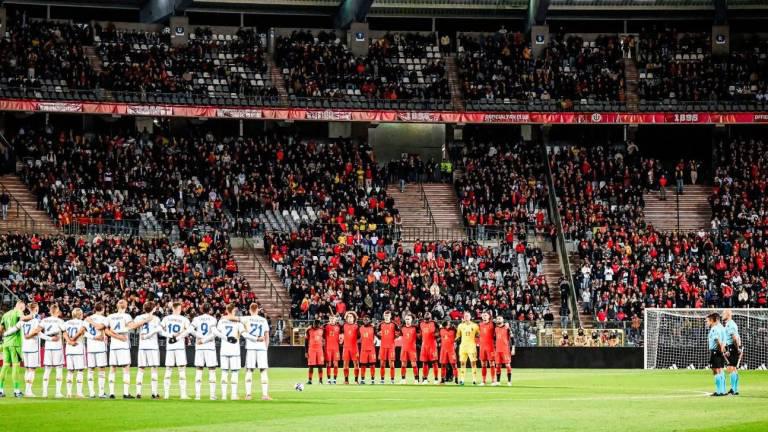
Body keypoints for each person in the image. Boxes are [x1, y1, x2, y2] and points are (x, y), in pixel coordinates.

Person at [105, 299, 145, 399]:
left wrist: (116, 336)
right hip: (123, 345)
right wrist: (144, 321)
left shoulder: (110, 316)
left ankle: (111, 393)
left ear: (117, 306)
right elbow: (132, 326)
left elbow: (106, 330)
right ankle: (126, 393)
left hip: (114, 345)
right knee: (126, 369)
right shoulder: (126, 316)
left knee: (112, 369)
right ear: (126, 306)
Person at [160, 302, 191, 399]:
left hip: (170, 347)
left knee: (168, 370)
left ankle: (166, 395)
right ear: (178, 308)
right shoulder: (184, 319)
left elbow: (160, 330)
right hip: (179, 347)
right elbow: (189, 330)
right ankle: (183, 394)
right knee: (181, 370)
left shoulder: (166, 318)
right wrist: (178, 337)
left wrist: (169, 335)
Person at [214, 304, 245, 400]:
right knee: (234, 372)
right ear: (234, 311)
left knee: (224, 372)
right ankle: (233, 395)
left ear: (227, 310)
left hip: (224, 349)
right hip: (235, 350)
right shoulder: (238, 322)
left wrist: (225, 337)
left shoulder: (222, 321)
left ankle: (223, 396)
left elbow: (216, 332)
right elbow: (244, 333)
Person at [241, 303, 271, 400]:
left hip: (250, 347)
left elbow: (234, 319)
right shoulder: (263, 320)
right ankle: (265, 395)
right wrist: (265, 348)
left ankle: (248, 395)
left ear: (250, 310)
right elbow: (267, 336)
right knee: (263, 370)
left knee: (249, 370)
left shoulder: (246, 319)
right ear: (257, 309)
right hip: (261, 348)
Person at [0, 300, 30, 398]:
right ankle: (16, 391)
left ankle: (0, 390)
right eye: (24, 306)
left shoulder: (5, 314)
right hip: (15, 344)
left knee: (5, 366)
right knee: (16, 366)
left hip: (6, 343)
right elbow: (23, 319)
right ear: (21, 306)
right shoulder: (18, 312)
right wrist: (32, 315)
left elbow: (1, 329)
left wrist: (5, 336)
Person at [190, 303, 218, 400]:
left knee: (199, 370)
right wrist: (205, 339)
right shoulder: (213, 319)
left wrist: (199, 337)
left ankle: (198, 395)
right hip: (210, 347)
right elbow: (214, 334)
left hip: (199, 347)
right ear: (210, 309)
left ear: (201, 309)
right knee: (212, 370)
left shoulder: (196, 319)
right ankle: (212, 395)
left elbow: (191, 330)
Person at [135, 301, 161, 399]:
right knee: (154, 369)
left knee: (141, 369)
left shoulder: (138, 317)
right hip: (153, 346)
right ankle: (154, 393)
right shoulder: (156, 318)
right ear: (153, 309)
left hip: (142, 346)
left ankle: (138, 393)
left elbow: (134, 328)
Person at [39, 304, 66, 398]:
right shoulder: (60, 321)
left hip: (48, 347)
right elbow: (65, 331)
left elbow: (38, 332)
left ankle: (44, 392)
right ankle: (58, 392)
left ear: (50, 311)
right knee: (59, 369)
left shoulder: (44, 320)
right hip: (57, 347)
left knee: (47, 370)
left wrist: (48, 338)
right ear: (57, 311)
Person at [84, 303, 109, 398]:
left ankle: (91, 393)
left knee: (90, 369)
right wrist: (96, 337)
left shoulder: (87, 319)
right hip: (100, 347)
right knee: (101, 369)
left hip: (90, 347)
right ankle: (101, 393)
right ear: (102, 309)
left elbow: (83, 332)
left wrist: (92, 337)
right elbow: (99, 327)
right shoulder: (104, 319)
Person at [63, 308, 87, 398]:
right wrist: (73, 339)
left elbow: (64, 333)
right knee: (80, 370)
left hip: (69, 349)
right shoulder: (82, 323)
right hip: (78, 347)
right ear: (80, 314)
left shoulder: (67, 323)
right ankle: (79, 393)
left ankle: (69, 393)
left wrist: (69, 341)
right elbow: (81, 332)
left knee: (70, 371)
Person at [20, 302, 41, 397]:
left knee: (27, 369)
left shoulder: (24, 319)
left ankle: (26, 390)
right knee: (32, 369)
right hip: (33, 346)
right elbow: (37, 331)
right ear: (36, 308)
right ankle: (28, 391)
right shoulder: (36, 319)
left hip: (25, 346)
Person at [455, 311, 479, 385]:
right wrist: (454, 342)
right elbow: (458, 336)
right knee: (462, 363)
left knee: (473, 363)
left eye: (467, 316)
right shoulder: (460, 326)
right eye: (465, 316)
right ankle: (462, 379)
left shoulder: (475, 326)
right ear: (463, 317)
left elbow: (478, 335)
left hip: (472, 346)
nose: (466, 317)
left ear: (470, 317)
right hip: (463, 347)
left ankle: (474, 380)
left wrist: (478, 343)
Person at [707, 312, 727, 397]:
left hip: (716, 351)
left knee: (715, 370)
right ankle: (722, 390)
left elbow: (717, 340)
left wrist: (720, 349)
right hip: (719, 350)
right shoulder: (722, 328)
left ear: (712, 320)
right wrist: (723, 349)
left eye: (708, 321)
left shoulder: (714, 328)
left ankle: (718, 391)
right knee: (720, 370)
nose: (707, 322)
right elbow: (723, 340)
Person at [722, 310, 742, 395]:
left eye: (723, 313)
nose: (722, 315)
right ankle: (734, 389)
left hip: (732, 347)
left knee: (731, 368)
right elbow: (738, 337)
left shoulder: (730, 324)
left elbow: (734, 338)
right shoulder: (729, 324)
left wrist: (737, 348)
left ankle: (734, 389)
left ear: (728, 314)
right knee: (732, 368)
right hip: (731, 347)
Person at [418, 312, 439, 384]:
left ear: (431, 317)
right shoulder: (421, 323)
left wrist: (437, 336)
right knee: (425, 363)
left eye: (429, 318)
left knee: (434, 363)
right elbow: (419, 333)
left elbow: (439, 332)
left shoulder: (434, 323)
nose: (427, 319)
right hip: (424, 345)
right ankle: (425, 379)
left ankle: (436, 379)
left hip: (432, 345)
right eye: (426, 318)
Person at [377, 311, 397, 384]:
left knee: (391, 365)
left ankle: (392, 379)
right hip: (383, 346)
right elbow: (376, 332)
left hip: (391, 346)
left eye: (388, 315)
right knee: (382, 364)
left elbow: (399, 332)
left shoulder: (394, 324)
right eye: (385, 315)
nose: (386, 317)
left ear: (390, 316)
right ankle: (382, 379)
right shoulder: (380, 324)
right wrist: (379, 336)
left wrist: (396, 336)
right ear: (383, 316)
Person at [493, 316, 514, 386]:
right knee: (498, 365)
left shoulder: (507, 328)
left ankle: (509, 381)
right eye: (497, 319)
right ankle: (498, 381)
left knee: (507, 365)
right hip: (498, 350)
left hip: (505, 350)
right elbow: (495, 339)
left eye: (500, 319)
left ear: (503, 320)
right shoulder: (496, 329)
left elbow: (512, 338)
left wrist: (513, 348)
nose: (498, 320)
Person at [399, 313, 419, 384]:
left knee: (414, 364)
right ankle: (403, 379)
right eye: (406, 319)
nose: (407, 320)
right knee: (403, 364)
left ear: (412, 320)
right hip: (404, 349)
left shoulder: (415, 328)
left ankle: (416, 380)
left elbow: (419, 336)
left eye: (409, 319)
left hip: (412, 349)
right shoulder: (402, 328)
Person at [341, 311, 360, 384]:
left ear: (354, 318)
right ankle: (346, 380)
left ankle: (356, 380)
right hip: (346, 348)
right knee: (345, 364)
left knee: (356, 364)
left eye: (351, 317)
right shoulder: (343, 326)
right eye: (348, 317)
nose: (349, 318)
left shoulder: (357, 326)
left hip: (354, 348)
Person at [477, 311, 496, 385]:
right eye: (483, 315)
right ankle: (483, 381)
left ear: (489, 316)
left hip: (490, 346)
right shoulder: (480, 324)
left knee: (492, 363)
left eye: (485, 315)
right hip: (482, 347)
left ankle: (493, 380)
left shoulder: (493, 324)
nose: (484, 316)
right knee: (483, 364)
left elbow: (501, 325)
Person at [305, 320, 325, 385]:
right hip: (311, 350)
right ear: (313, 324)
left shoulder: (322, 330)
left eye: (318, 325)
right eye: (315, 325)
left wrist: (324, 350)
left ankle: (320, 380)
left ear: (319, 325)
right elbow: (306, 341)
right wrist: (306, 351)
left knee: (320, 366)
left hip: (320, 350)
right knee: (311, 366)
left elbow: (325, 339)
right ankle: (310, 380)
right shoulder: (309, 330)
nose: (316, 326)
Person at [358, 316, 377, 385]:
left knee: (372, 365)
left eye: (367, 320)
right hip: (363, 349)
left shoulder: (373, 328)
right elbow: (357, 337)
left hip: (371, 349)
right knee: (363, 365)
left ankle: (373, 380)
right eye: (364, 320)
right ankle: (362, 380)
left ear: (369, 320)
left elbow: (378, 335)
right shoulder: (360, 328)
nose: (365, 321)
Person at [324, 315, 341, 384]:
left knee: (336, 364)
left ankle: (334, 379)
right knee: (328, 364)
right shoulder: (326, 327)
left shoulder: (338, 327)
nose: (332, 320)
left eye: (333, 319)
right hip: (328, 348)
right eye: (330, 319)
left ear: (335, 320)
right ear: (329, 320)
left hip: (336, 348)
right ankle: (328, 379)